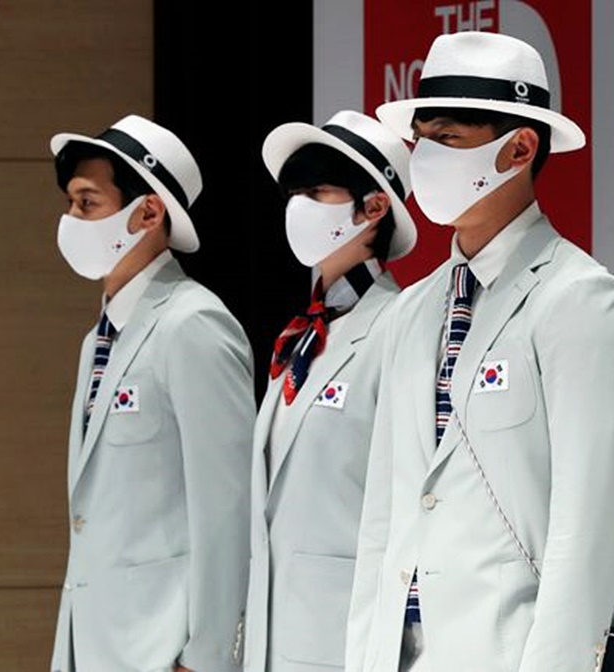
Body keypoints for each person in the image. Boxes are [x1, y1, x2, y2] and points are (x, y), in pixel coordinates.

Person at [346, 31, 614, 672]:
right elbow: (383, 517)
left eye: (448, 139)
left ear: (519, 148)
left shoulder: (580, 298)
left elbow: (588, 526)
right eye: (420, 139)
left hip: (508, 653)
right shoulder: (410, 310)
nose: (425, 158)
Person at [48, 115, 255, 672]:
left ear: (148, 212)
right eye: (69, 203)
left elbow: (227, 507)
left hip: (161, 651)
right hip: (94, 643)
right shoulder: (99, 338)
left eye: (87, 203)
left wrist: (208, 655)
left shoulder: (194, 324)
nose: (71, 220)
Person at [243, 110, 416, 672]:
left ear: (374, 207)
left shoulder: (400, 327)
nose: (299, 207)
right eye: (295, 193)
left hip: (347, 639)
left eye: (317, 192)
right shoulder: (298, 336)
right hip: (273, 638)